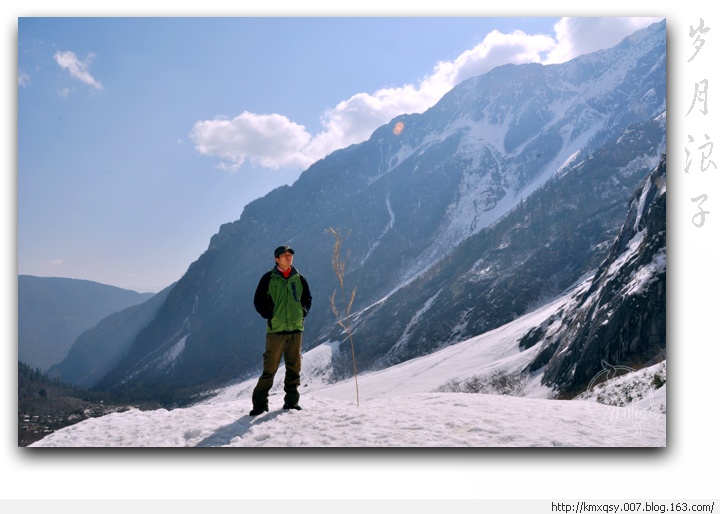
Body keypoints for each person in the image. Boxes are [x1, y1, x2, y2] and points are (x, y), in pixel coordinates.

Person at [249, 245, 312, 415]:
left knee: (294, 368)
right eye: (284, 255)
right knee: (269, 369)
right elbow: (258, 301)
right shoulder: (268, 278)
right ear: (277, 259)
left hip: (296, 330)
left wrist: (303, 312)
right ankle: (260, 405)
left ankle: (292, 403)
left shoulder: (299, 278)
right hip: (276, 331)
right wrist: (270, 315)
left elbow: (307, 298)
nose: (288, 257)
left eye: (290, 254)